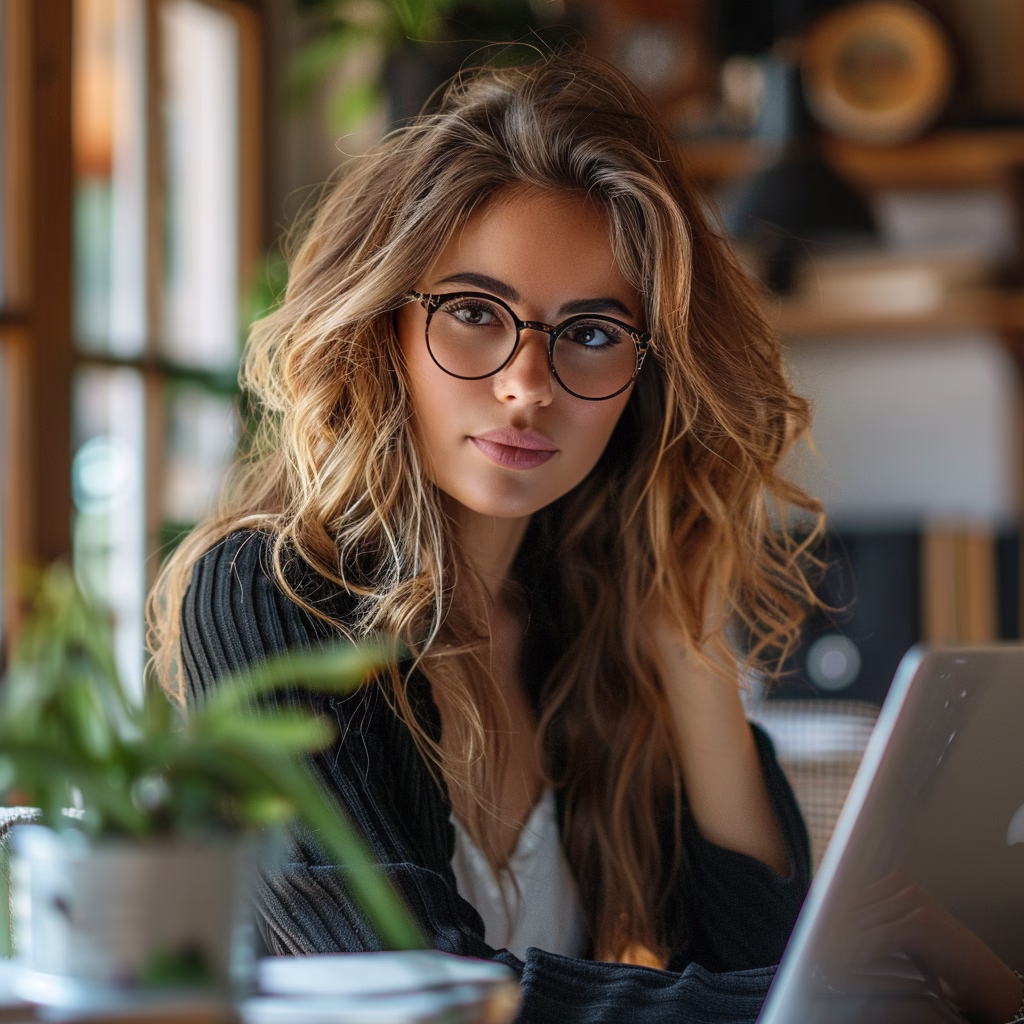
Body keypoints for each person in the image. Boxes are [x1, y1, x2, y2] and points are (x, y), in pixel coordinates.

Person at [149, 50, 827, 1023]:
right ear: (384, 326)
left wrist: (691, 643)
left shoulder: (587, 622)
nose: (525, 384)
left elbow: (769, 957)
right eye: (473, 313)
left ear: (648, 380)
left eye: (591, 332)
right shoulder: (264, 593)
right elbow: (407, 988)